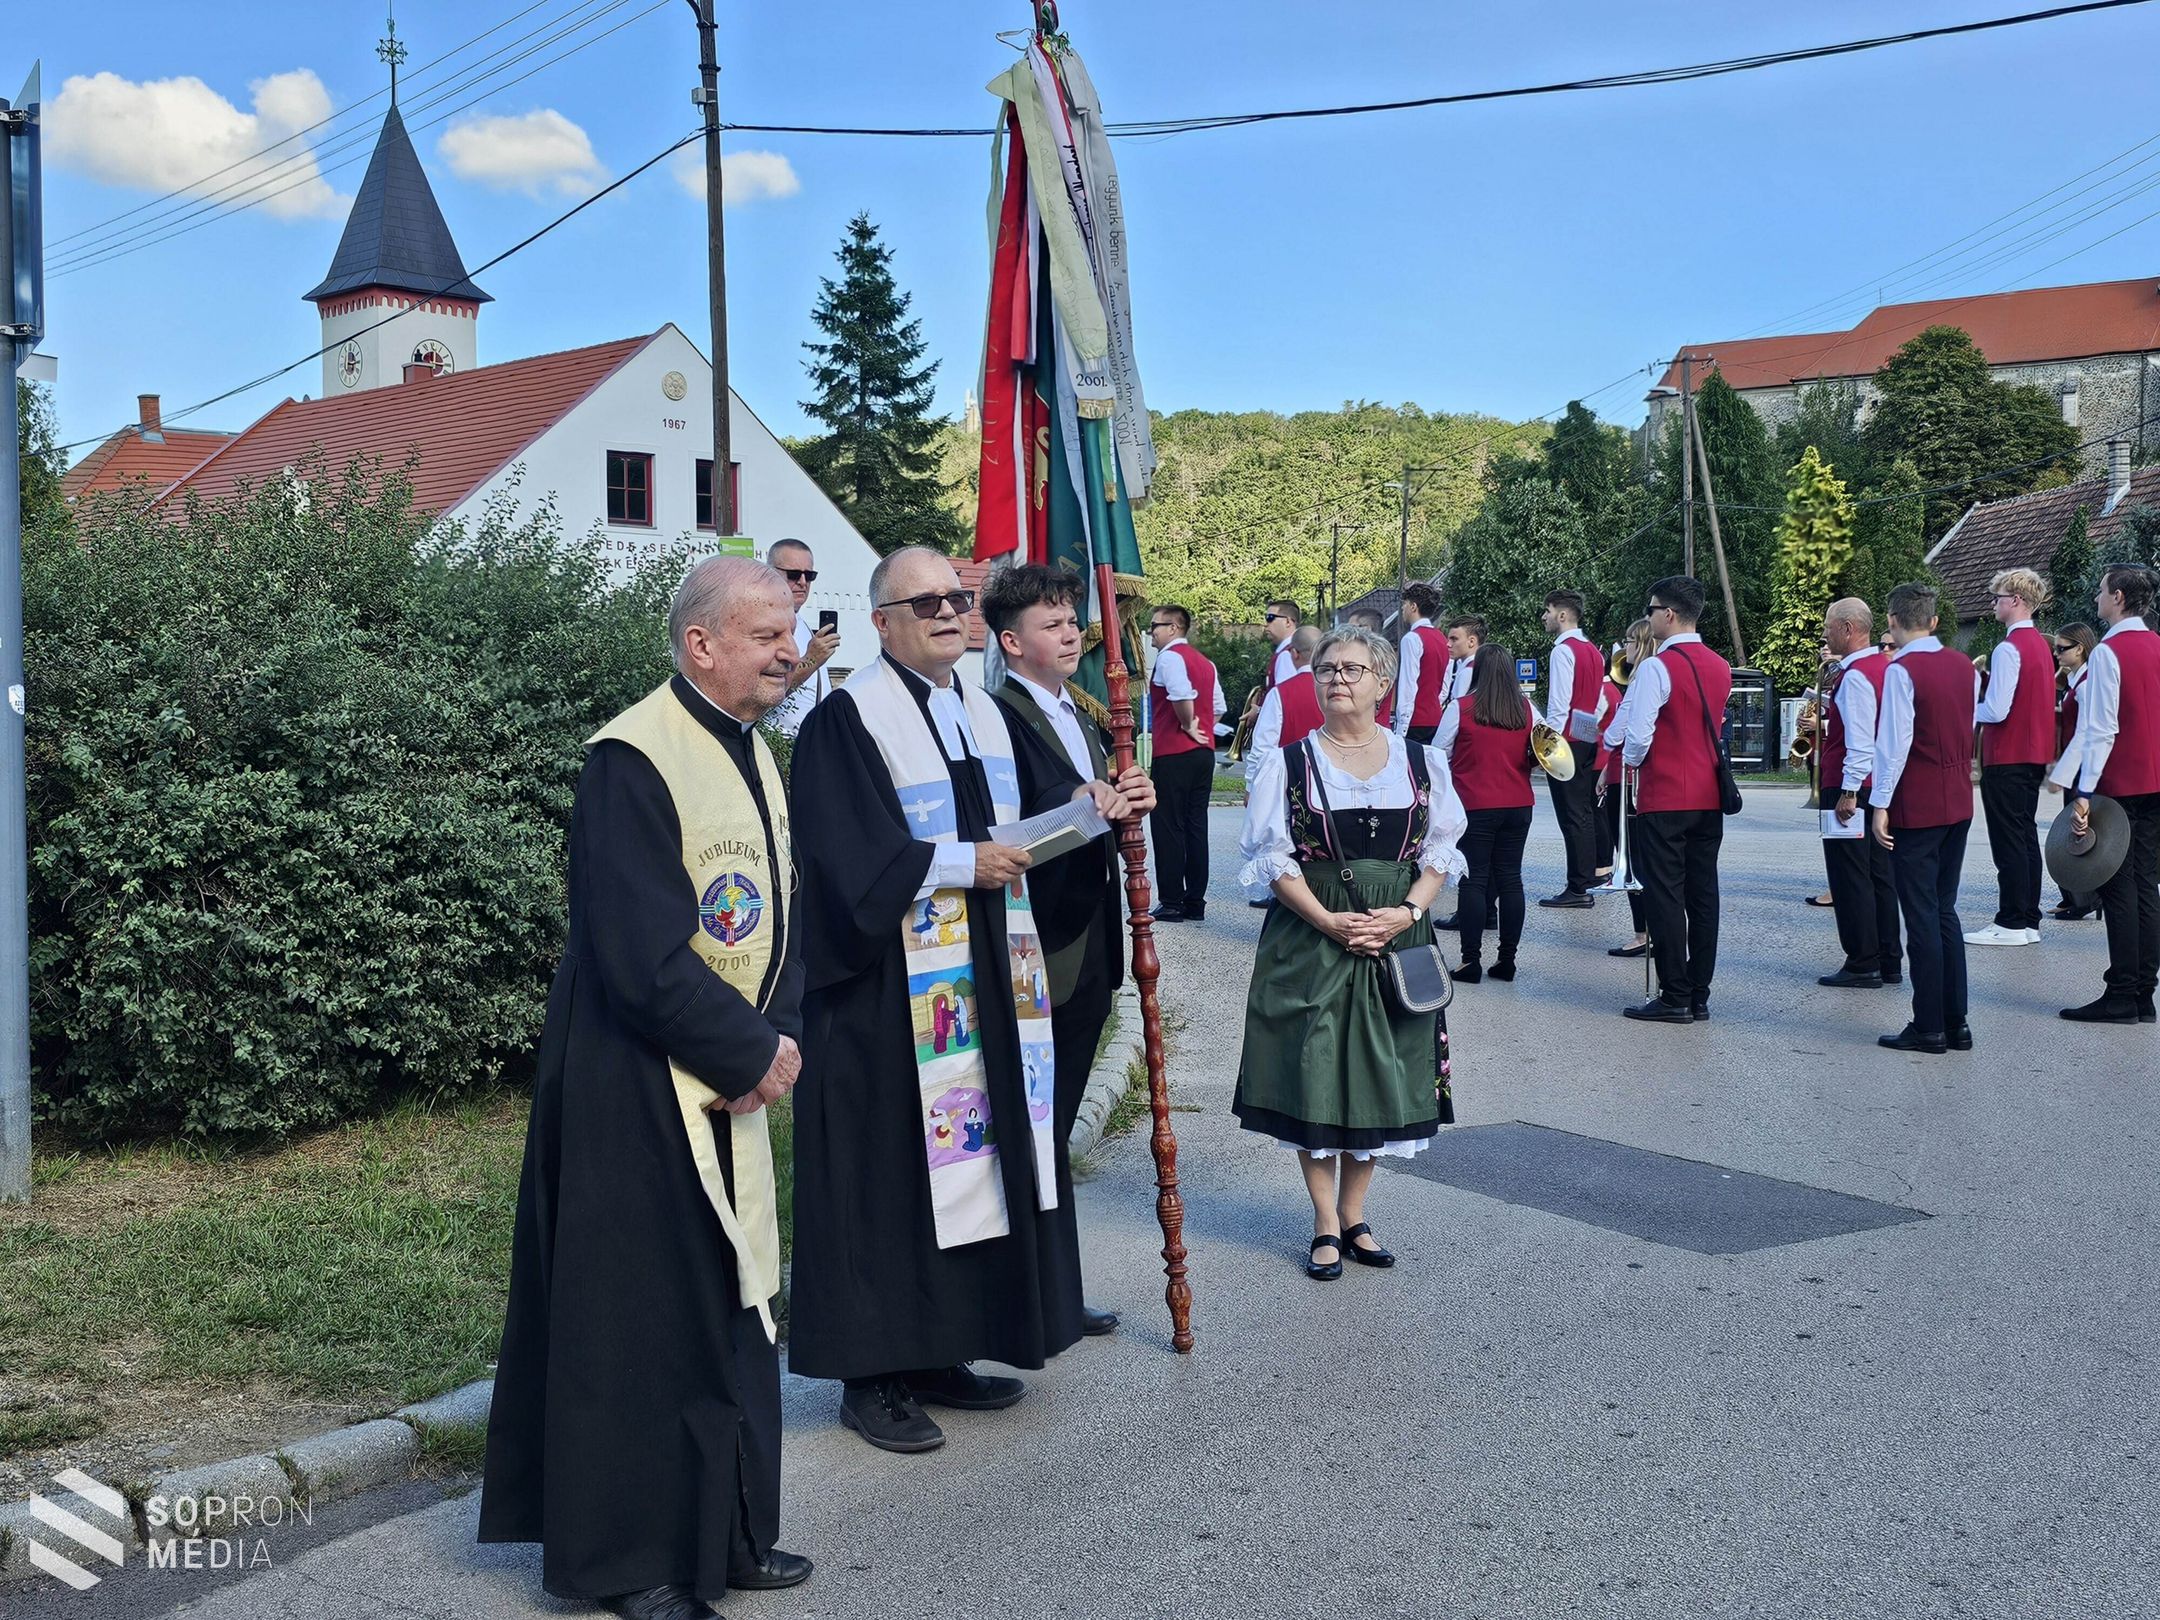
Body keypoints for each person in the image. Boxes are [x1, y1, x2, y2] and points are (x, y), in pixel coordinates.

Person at [480, 557, 813, 1618]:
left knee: (732, 1304)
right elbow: (635, 950)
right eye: (765, 633)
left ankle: (731, 1534)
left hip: (727, 1065)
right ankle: (629, 1559)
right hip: (637, 1079)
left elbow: (779, 912)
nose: (787, 650)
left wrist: (781, 1036)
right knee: (640, 1320)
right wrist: (748, 1052)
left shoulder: (754, 750)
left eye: (790, 631)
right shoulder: (630, 758)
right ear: (699, 643)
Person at [788, 547, 1123, 1453]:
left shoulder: (980, 710)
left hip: (985, 972)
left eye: (957, 598)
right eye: (925, 600)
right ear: (881, 621)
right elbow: (842, 857)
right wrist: (957, 863)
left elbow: (1020, 830)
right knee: (890, 1168)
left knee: (969, 1160)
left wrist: (1093, 808)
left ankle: (944, 1344)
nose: (947, 611)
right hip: (886, 986)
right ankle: (873, 1374)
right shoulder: (848, 719)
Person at [1232, 625, 1466, 1279]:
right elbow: (1273, 860)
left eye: (1352, 669)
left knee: (1381, 1072)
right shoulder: (1291, 761)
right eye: (1328, 669)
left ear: (1382, 684)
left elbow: (1440, 853)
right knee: (1314, 1069)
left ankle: (1357, 1214)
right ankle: (1324, 1222)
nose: (1337, 678)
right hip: (1312, 932)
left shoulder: (1422, 763)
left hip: (1397, 936)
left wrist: (1408, 912)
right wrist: (1329, 921)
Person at [982, 564, 1157, 1335]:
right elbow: (1006, 829)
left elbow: (1094, 814)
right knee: (1028, 1129)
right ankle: (1019, 1292)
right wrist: (1082, 806)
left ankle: (1055, 1290)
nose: (1071, 632)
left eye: (1071, 619)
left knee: (1054, 1135)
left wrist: (1129, 804)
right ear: (1012, 642)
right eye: (1052, 623)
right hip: (1038, 946)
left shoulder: (1081, 716)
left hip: (1090, 947)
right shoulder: (996, 718)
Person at [1617, 576, 1731, 1024]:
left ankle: (1674, 993)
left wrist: (1631, 764)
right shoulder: (1720, 665)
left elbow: (1639, 734)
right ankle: (1699, 992)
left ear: (1668, 614)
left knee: (1664, 895)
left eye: (1651, 609)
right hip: (1709, 794)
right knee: (1704, 895)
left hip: (1665, 795)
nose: (1648, 616)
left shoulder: (1655, 668)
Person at [1869, 582, 1976, 1054]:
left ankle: (1928, 1024)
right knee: (1944, 910)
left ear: (1892, 620)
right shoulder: (1961, 665)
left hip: (1919, 800)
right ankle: (1957, 1021)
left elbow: (1894, 744)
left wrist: (1881, 803)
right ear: (1934, 620)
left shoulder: (1902, 670)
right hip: (1958, 797)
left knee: (1921, 915)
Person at [2051, 565, 2160, 1023]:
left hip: (2118, 786)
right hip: (2154, 782)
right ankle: (2143, 994)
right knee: (2147, 885)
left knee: (2118, 887)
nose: (2096, 597)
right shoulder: (2157, 644)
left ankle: (2120, 993)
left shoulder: (2109, 653)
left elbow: (2101, 728)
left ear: (2117, 597)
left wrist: (2083, 790)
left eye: (2100, 590)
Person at [1813, 598, 1903, 990]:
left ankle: (1862, 959)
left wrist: (1848, 790)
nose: (1826, 632)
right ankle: (1887, 957)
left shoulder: (1854, 676)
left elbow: (1859, 742)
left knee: (1849, 875)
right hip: (1878, 785)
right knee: (1879, 873)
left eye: (1830, 626)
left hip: (1850, 785)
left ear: (1848, 629)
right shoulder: (1886, 667)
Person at [1436, 642, 1536, 982]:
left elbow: (1437, 755)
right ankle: (1507, 960)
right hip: (1519, 804)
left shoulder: (1460, 708)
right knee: (1510, 879)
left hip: (1475, 803)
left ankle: (1470, 961)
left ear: (1477, 670)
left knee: (1474, 880)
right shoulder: (1527, 709)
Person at [1967, 569, 2056, 946]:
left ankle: (2012, 921)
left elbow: (1998, 709)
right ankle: (2026, 919)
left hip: (2007, 755)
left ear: (2016, 601)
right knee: (2024, 838)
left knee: (2008, 840)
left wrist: (1968, 707)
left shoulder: (2009, 648)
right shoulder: (2039, 644)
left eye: (1998, 597)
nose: (1993, 603)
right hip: (2031, 754)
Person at [1146, 604, 1223, 922]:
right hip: (1203, 753)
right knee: (1195, 825)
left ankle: (1172, 901)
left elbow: (1180, 694)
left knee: (1168, 826)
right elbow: (1219, 706)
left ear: (1173, 628)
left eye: (1155, 626)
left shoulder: (1169, 657)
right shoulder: (1206, 663)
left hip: (1174, 752)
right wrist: (1201, 728)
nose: (1151, 631)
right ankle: (1195, 901)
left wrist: (1188, 724)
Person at [1538, 590, 1605, 908]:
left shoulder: (1563, 651)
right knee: (1585, 812)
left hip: (1566, 740)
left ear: (1563, 615)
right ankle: (1586, 877)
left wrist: (1546, 746)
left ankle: (1577, 887)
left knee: (1571, 815)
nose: (1545, 617)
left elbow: (1559, 704)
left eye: (1548, 611)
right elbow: (1598, 701)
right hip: (1587, 736)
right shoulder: (1593, 650)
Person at [1598, 618, 1658, 959]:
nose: (1626, 649)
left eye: (1630, 642)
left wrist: (1606, 744)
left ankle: (1642, 933)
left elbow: (1618, 732)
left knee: (1632, 859)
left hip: (1628, 777)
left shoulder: (1641, 681)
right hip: (1626, 774)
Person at [2050, 622, 2101, 920]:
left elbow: (2086, 731)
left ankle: (2085, 899)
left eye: (2062, 648)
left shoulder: (2085, 684)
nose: (2057, 654)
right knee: (2075, 830)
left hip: (2081, 767)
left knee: (2080, 831)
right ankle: (2075, 896)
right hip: (2075, 765)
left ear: (2080, 649)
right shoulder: (2075, 681)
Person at [765, 538, 840, 739]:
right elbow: (764, 692)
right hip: (780, 743)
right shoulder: (763, 623)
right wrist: (812, 659)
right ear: (770, 572)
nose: (803, 582)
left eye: (810, 575)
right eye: (793, 575)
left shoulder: (799, 619)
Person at [1243, 624, 1325, 790]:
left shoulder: (1279, 693)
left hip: (1291, 781)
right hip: (1331, 780)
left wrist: (1251, 786)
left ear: (1294, 654)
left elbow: (1263, 747)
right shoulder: (1339, 688)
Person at [1390, 582, 1452, 745]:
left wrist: (1401, 730)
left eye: (1405, 605)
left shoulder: (1412, 638)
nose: (1403, 609)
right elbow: (1444, 687)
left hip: (1414, 721)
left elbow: (1408, 686)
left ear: (1413, 606)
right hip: (1435, 718)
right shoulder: (1442, 639)